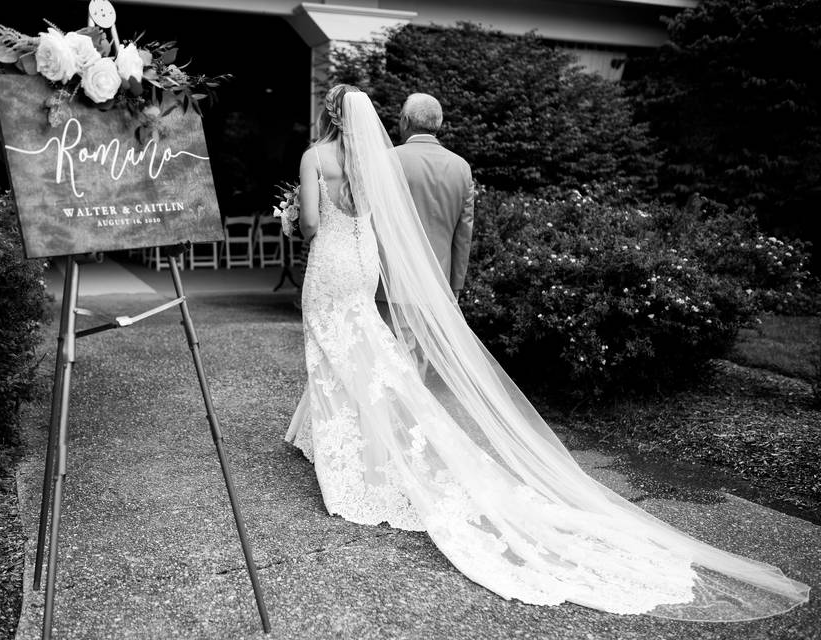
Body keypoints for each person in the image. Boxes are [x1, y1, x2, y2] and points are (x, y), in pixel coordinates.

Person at [284, 84, 808, 621]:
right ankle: (368, 438)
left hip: (369, 276)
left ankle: (373, 446)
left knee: (364, 361)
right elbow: (461, 230)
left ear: (399, 120)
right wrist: (454, 286)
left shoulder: (369, 158)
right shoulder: (450, 167)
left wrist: (293, 219)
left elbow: (315, 223)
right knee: (382, 365)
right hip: (419, 277)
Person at [394, 93, 474, 299]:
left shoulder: (388, 159)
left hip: (393, 283)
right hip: (440, 287)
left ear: (406, 121)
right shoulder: (461, 167)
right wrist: (456, 285)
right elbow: (463, 234)